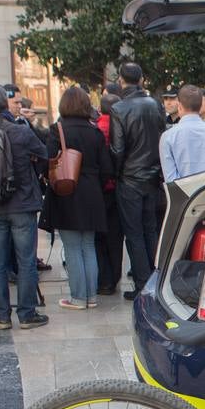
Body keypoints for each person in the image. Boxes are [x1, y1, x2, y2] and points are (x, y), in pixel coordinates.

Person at [0, 82, 50, 330]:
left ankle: (1, 315)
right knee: (25, 260)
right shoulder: (20, 132)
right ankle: (27, 314)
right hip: (22, 203)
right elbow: (44, 152)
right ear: (5, 104)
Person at [43, 86, 112, 310]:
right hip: (92, 193)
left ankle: (78, 298)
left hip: (67, 192)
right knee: (88, 246)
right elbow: (106, 169)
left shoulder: (58, 130)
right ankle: (91, 296)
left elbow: (48, 162)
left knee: (72, 247)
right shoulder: (95, 133)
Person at [109, 62, 167, 300]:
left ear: (121, 81)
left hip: (130, 179)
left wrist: (117, 173)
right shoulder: (155, 105)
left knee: (134, 233)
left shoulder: (120, 108)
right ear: (142, 79)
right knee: (150, 229)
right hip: (152, 176)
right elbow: (162, 139)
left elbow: (117, 148)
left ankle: (143, 283)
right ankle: (155, 279)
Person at [160, 85, 205, 181]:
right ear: (200, 106)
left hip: (185, 195)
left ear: (179, 106)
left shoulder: (167, 137)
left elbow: (171, 181)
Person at [94, 89, 124, 295]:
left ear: (99, 108)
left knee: (99, 237)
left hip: (98, 190)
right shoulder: (121, 127)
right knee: (116, 236)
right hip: (118, 187)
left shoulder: (95, 128)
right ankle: (114, 277)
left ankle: (102, 279)